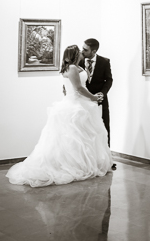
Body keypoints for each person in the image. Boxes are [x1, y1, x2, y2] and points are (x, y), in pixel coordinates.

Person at [7, 45, 113, 187]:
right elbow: (79, 88)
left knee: (83, 137)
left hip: (81, 103)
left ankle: (84, 164)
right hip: (75, 104)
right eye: (79, 51)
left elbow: (69, 87)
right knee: (74, 137)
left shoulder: (74, 67)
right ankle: (74, 166)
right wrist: (93, 98)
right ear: (75, 55)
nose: (82, 53)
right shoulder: (73, 68)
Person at [81, 38, 116, 171]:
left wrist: (103, 93)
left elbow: (109, 80)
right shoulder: (78, 60)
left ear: (94, 51)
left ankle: (107, 160)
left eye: (85, 49)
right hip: (83, 100)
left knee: (104, 128)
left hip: (100, 100)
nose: (82, 51)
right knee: (85, 129)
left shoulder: (104, 62)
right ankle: (87, 160)